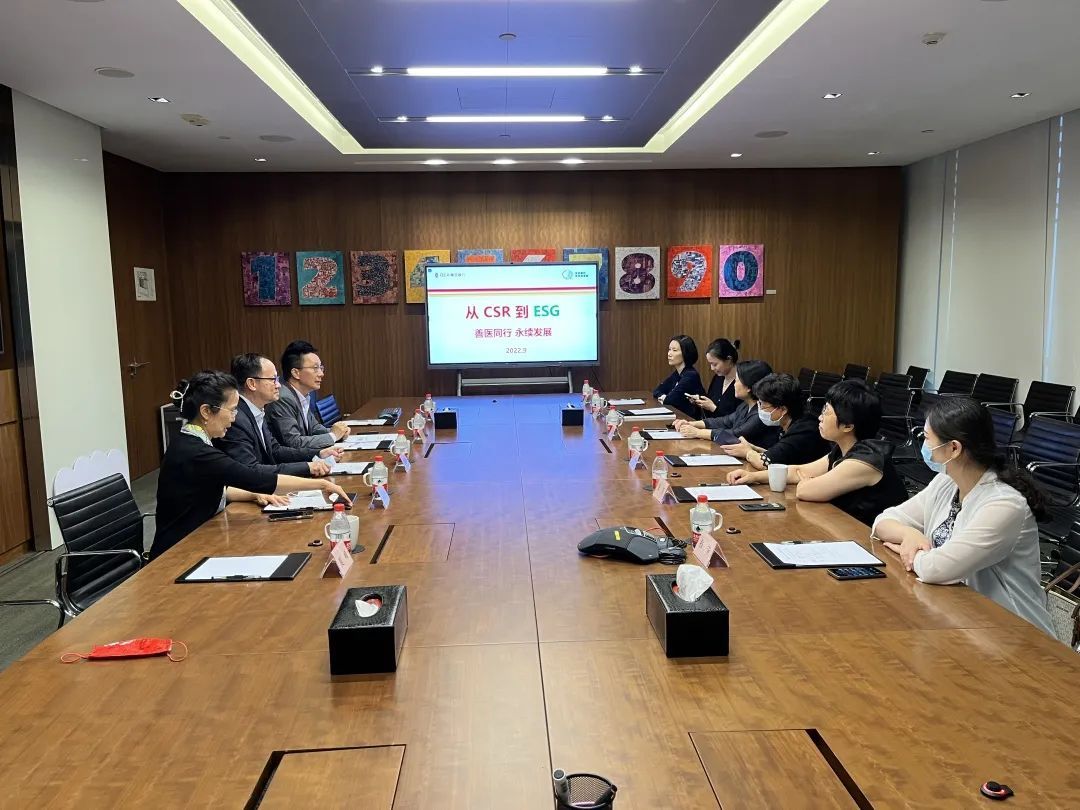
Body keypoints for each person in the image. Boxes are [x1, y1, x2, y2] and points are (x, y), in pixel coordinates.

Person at [871, 397, 1055, 635]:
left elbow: (938, 568)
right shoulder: (946, 482)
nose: (923, 445)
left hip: (1013, 629)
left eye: (927, 438)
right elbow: (883, 521)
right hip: (959, 614)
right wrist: (909, 534)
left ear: (954, 448)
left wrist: (911, 552)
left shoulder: (1004, 505)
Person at [151, 371, 350, 560]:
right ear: (206, 411)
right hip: (177, 553)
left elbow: (216, 487)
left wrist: (252, 495)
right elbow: (254, 477)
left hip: (198, 539)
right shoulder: (197, 452)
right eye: (231, 410)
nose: (234, 417)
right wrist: (322, 484)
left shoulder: (190, 441)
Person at [727, 380, 907, 525]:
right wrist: (753, 477)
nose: (820, 417)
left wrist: (808, 481)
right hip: (846, 525)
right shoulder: (842, 450)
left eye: (827, 412)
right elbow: (799, 471)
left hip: (874, 542)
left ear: (847, 426)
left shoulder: (866, 460)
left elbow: (805, 490)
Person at [216, 353, 340, 477]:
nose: (279, 385)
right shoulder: (236, 419)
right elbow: (251, 470)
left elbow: (275, 451)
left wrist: (318, 453)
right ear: (252, 384)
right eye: (273, 379)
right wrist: (307, 467)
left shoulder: (256, 410)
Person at [720, 372, 829, 469]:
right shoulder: (785, 423)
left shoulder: (804, 429)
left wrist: (747, 452)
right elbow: (777, 456)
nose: (759, 408)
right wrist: (752, 448)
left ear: (783, 410)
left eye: (762, 405)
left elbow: (764, 463)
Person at [674, 359, 780, 448]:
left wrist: (698, 432)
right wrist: (692, 424)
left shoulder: (762, 413)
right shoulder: (745, 405)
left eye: (737, 380)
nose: (734, 384)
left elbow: (734, 434)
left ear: (748, 386)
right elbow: (724, 421)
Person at [267, 340, 350, 451]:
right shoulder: (283, 398)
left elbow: (313, 427)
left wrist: (338, 432)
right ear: (296, 373)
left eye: (321, 368)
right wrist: (333, 436)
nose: (321, 374)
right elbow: (293, 442)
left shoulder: (304, 394)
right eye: (315, 368)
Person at [651, 334, 706, 418]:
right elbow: (657, 391)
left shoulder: (691, 375)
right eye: (669, 349)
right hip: (679, 418)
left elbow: (670, 400)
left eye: (674, 350)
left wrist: (665, 398)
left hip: (690, 420)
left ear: (685, 353)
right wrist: (664, 397)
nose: (669, 354)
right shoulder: (677, 373)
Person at [687, 338, 741, 418]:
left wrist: (713, 408)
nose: (712, 368)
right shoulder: (718, 378)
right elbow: (711, 401)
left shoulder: (742, 383)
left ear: (729, 360)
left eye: (715, 364)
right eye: (710, 364)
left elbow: (737, 419)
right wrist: (700, 401)